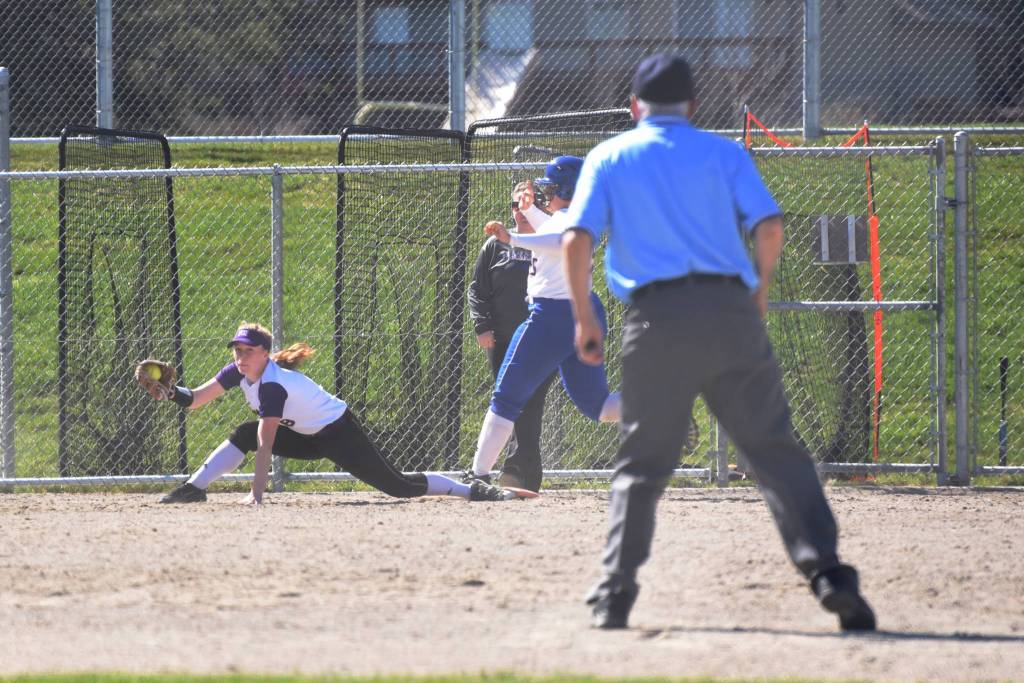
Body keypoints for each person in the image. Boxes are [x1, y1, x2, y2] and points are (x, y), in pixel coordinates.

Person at [561, 54, 876, 631]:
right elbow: (770, 226)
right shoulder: (725, 151)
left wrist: (585, 319)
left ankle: (615, 594)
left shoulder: (610, 155)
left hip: (656, 320)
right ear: (693, 106)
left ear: (635, 106)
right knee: (775, 451)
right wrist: (754, 292)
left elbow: (577, 238)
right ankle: (829, 575)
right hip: (731, 316)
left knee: (643, 462)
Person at [156, 322, 533, 504]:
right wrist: (171, 392)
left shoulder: (271, 384)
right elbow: (196, 399)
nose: (240, 357)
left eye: (248, 350)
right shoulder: (236, 372)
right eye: (237, 350)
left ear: (265, 354)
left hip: (338, 431)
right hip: (305, 434)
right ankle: (194, 489)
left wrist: (257, 493)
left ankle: (470, 490)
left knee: (397, 486)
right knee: (241, 432)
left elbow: (266, 442)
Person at [463, 157, 621, 485]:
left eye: (550, 188)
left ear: (567, 189)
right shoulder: (569, 217)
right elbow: (552, 227)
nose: (545, 193)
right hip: (581, 312)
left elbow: (561, 241)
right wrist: (525, 215)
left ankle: (478, 475)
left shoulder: (571, 223)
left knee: (505, 397)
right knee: (600, 407)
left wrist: (514, 238)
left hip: (554, 315)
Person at [467, 180, 557, 492]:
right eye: (515, 206)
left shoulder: (550, 241)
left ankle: (520, 472)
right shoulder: (496, 245)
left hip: (542, 336)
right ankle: (517, 474)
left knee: (530, 402)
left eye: (527, 205)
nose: (519, 212)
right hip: (503, 338)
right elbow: (478, 289)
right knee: (509, 401)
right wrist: (482, 326)